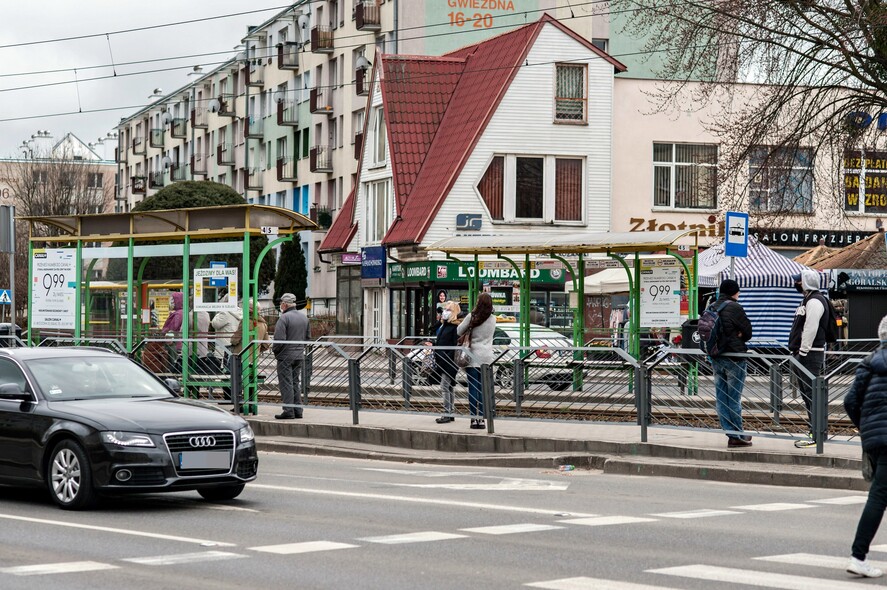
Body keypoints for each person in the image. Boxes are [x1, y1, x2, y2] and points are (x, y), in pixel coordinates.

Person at [843, 315, 887, 579]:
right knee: (879, 496)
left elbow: (850, 401)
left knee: (881, 493)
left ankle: (859, 556)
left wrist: (866, 427)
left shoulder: (869, 362)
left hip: (875, 439)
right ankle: (858, 556)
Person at [709, 279, 754, 448]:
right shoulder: (735, 307)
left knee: (721, 398)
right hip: (734, 358)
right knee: (734, 398)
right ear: (735, 292)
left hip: (716, 357)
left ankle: (730, 433)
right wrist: (739, 334)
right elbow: (748, 332)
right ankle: (738, 435)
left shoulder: (711, 306)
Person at [789, 269, 828, 448]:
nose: (797, 284)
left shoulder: (814, 301)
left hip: (810, 353)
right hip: (806, 352)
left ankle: (816, 434)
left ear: (806, 283)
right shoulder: (809, 299)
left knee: (811, 395)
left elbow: (811, 327)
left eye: (799, 281)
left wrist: (802, 352)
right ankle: (815, 431)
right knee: (808, 395)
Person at [456, 292, 496, 429]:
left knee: (473, 387)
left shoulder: (472, 317)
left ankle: (474, 419)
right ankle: (483, 420)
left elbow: (459, 331)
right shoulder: (493, 319)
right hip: (487, 357)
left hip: (473, 356)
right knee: (483, 388)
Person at [271, 293, 310, 419]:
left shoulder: (284, 318)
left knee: (286, 383)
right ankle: (298, 410)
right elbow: (308, 338)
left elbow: (279, 339)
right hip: (299, 355)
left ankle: (288, 410)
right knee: (295, 382)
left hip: (285, 356)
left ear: (285, 304)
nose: (280, 305)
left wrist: (276, 352)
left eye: (281, 303)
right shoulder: (304, 317)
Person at [211, 293, 243, 398]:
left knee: (225, 372)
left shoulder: (224, 313)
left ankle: (228, 396)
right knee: (233, 371)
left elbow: (214, 324)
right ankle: (233, 395)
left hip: (224, 347)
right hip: (235, 346)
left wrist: (218, 312)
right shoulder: (240, 311)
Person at [434, 300, 461, 424]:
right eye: (445, 309)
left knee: (444, 386)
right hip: (443, 360)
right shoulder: (444, 325)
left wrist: (447, 358)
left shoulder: (454, 327)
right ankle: (450, 412)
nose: (445, 312)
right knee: (449, 387)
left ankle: (447, 413)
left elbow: (456, 345)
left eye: (449, 310)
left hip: (449, 361)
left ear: (454, 312)